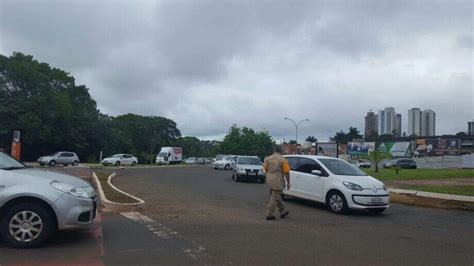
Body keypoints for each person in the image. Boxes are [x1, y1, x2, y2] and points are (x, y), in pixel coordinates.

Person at [263, 146, 290, 220]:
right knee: (274, 197)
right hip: (277, 180)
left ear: (274, 150)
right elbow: (286, 172)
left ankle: (283, 211)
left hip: (270, 179)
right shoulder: (283, 160)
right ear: (281, 150)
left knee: (276, 195)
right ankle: (269, 213)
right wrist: (288, 182)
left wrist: (267, 176)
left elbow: (265, 169)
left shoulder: (268, 158)